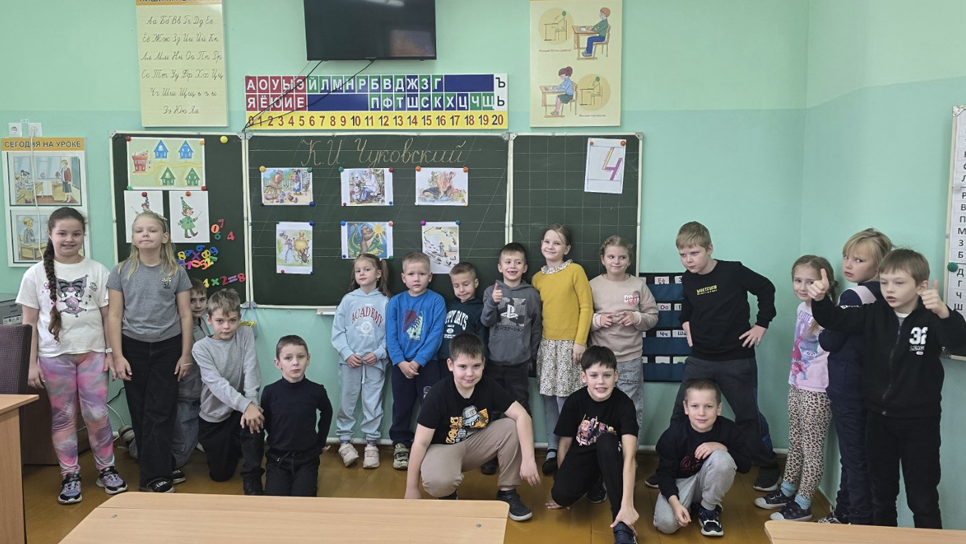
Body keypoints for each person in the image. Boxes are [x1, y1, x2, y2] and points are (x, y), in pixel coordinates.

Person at [808, 249, 966, 529]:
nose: (889, 289)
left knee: (923, 499)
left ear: (921, 286)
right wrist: (819, 299)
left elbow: (958, 343)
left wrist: (944, 313)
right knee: (881, 497)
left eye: (899, 283)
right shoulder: (874, 314)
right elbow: (835, 320)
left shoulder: (931, 317)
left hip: (920, 423)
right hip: (878, 420)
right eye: (884, 282)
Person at [647, 221, 779, 492]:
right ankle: (671, 467)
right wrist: (685, 321)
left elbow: (766, 288)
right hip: (700, 358)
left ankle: (768, 466)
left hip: (737, 359)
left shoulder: (733, 271)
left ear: (709, 248)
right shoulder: (688, 278)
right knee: (681, 414)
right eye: (683, 255)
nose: (688, 260)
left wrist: (762, 324)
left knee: (747, 418)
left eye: (694, 253)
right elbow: (688, 305)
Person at [17, 207, 126, 504]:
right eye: (62, 233)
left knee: (96, 415)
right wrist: (30, 364)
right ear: (50, 234)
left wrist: (112, 353)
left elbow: (109, 317)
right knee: (63, 417)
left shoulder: (97, 270)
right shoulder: (34, 274)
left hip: (93, 354)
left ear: (83, 236)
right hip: (53, 358)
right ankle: (70, 475)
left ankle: (106, 469)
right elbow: (28, 324)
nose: (69, 239)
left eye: (76, 234)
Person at [404, 333, 541, 522]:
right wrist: (411, 488)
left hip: (476, 445)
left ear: (483, 364)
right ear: (450, 365)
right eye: (463, 366)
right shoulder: (438, 394)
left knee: (512, 425)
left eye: (476, 366)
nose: (470, 373)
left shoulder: (489, 386)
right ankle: (447, 493)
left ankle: (507, 492)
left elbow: (522, 416)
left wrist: (529, 460)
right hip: (444, 449)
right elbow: (420, 443)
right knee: (438, 482)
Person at [107, 211, 193, 494]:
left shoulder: (176, 272)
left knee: (161, 410)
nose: (145, 234)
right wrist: (117, 355)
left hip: (168, 348)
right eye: (139, 230)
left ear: (164, 237)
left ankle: (153, 477)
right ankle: (159, 465)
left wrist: (186, 354)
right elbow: (114, 316)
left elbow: (185, 315)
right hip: (132, 347)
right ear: (133, 238)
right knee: (141, 410)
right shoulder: (121, 272)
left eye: (152, 230)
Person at [817, 228, 892, 525]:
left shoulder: (854, 295)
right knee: (860, 454)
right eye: (846, 257)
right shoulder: (889, 294)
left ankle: (857, 521)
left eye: (859, 260)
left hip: (848, 386)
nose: (848, 265)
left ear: (880, 264)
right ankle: (844, 512)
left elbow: (829, 340)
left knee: (853, 457)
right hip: (875, 386)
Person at [755, 256, 837, 521]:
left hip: (818, 389)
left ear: (825, 281)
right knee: (796, 441)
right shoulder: (803, 307)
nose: (802, 287)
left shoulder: (829, 312)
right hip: (797, 382)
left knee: (812, 448)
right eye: (798, 280)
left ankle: (803, 504)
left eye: (810, 281)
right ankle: (788, 489)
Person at [547, 346, 640, 544]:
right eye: (594, 375)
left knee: (606, 439)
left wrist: (627, 504)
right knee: (561, 495)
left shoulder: (624, 404)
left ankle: (622, 524)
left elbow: (630, 457)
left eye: (607, 375)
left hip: (611, 457)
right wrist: (563, 480)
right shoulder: (574, 402)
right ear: (584, 377)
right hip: (583, 458)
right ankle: (595, 482)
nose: (601, 382)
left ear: (616, 376)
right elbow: (564, 446)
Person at [123, 278, 208, 485]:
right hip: (182, 396)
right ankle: (137, 446)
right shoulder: (177, 329)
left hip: (199, 396)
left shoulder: (205, 323)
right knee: (179, 453)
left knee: (185, 445)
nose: (198, 305)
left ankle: (134, 438)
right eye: (192, 300)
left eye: (202, 299)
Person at [653, 379, 751, 538]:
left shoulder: (729, 430)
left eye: (708, 406)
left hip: (707, 482)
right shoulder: (673, 435)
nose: (701, 413)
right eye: (695, 406)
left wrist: (722, 447)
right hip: (680, 483)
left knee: (722, 458)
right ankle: (692, 505)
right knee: (666, 524)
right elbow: (664, 475)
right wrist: (675, 504)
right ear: (686, 408)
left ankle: (708, 509)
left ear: (718, 408)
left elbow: (745, 465)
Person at [532, 224, 593, 475]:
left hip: (570, 346)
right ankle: (552, 449)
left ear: (566, 249)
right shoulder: (537, 278)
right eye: (547, 242)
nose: (551, 246)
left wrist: (580, 341)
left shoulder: (575, 271)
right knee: (548, 399)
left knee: (565, 400)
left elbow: (586, 307)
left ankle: (572, 448)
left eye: (557, 243)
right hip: (547, 346)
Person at [193, 288, 266, 495]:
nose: (226, 326)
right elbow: (217, 384)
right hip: (214, 416)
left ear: (239, 319)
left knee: (256, 419)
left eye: (232, 320)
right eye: (220, 321)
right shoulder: (201, 348)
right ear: (209, 319)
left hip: (240, 409)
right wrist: (246, 405)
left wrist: (251, 405)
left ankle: (252, 476)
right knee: (220, 474)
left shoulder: (244, 334)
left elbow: (251, 369)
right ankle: (235, 448)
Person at [480, 243, 543, 474]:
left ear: (525, 267)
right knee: (490, 409)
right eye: (508, 262)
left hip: (519, 364)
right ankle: (489, 454)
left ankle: (521, 454)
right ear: (500, 267)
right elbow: (486, 322)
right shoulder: (492, 291)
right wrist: (492, 302)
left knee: (521, 408)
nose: (512, 266)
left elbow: (537, 327)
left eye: (518, 262)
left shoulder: (531, 294)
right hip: (494, 362)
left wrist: (531, 354)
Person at [589, 235, 659, 425]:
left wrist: (636, 318)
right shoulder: (592, 285)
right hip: (600, 359)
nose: (616, 261)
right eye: (611, 257)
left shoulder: (638, 285)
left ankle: (629, 445)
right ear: (603, 259)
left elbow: (653, 316)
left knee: (630, 406)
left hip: (630, 358)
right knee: (599, 406)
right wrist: (598, 320)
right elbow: (580, 319)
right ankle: (601, 443)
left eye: (622, 257)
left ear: (629, 261)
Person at [330, 253, 391, 469]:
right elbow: (338, 332)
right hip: (350, 363)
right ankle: (345, 442)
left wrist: (380, 353)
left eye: (367, 269)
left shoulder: (385, 302)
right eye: (358, 270)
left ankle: (371, 444)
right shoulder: (348, 300)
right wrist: (347, 353)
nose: (362, 273)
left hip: (375, 363)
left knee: (372, 403)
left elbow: (390, 334)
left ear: (378, 273)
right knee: (347, 401)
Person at [386, 251, 446, 470]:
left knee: (429, 406)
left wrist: (418, 361)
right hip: (400, 365)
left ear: (430, 276)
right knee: (401, 405)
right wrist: (400, 362)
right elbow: (391, 335)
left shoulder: (436, 301)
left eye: (421, 274)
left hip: (428, 365)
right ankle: (401, 443)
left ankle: (430, 445)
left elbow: (436, 336)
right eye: (411, 274)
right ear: (403, 278)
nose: (416, 278)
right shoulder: (395, 302)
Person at [261, 335, 333, 497]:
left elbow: (327, 412)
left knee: (303, 500)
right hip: (278, 458)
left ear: (308, 359)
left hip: (307, 458)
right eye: (288, 358)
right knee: (274, 501)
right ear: (278, 363)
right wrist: (275, 438)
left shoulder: (316, 391)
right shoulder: (270, 392)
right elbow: (267, 420)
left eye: (300, 357)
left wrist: (320, 442)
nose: (295, 362)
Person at [437, 262, 487, 382]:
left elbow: (482, 338)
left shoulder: (480, 309)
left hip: (466, 362)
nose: (461, 290)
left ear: (475, 283)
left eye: (466, 284)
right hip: (445, 359)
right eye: (456, 286)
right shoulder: (448, 305)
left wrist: (482, 361)